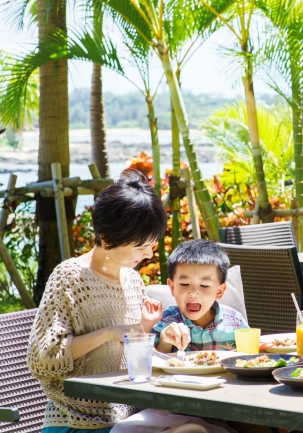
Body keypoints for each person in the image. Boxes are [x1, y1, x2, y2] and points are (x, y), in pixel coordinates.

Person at [28, 170, 229, 433]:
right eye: (141, 246)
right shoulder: (70, 278)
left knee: (209, 428)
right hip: (78, 419)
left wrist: (163, 333)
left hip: (132, 411)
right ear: (108, 239)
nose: (149, 253)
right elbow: (43, 359)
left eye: (152, 244)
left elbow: (136, 341)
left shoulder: (132, 280)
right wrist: (109, 333)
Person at [152, 239, 249, 353]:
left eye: (204, 285)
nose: (193, 292)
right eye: (185, 284)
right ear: (172, 287)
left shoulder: (235, 321)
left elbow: (249, 358)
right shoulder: (165, 321)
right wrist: (165, 340)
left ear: (219, 291)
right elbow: (154, 361)